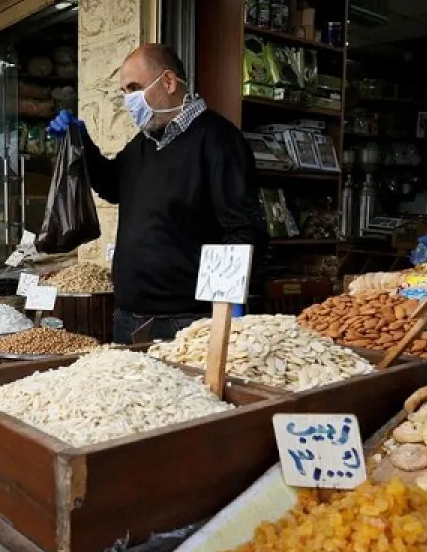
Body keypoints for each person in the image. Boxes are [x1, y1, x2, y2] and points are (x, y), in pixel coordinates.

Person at [49, 43, 268, 344]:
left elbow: (243, 229)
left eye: (134, 88)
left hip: (187, 321)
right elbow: (114, 187)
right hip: (129, 317)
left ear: (168, 82)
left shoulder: (219, 141)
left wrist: (225, 307)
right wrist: (81, 144)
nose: (128, 100)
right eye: (124, 91)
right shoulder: (143, 144)